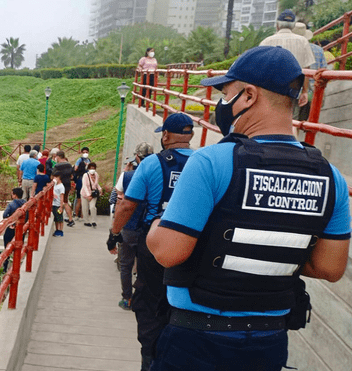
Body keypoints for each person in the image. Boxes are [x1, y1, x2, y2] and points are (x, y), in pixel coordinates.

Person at [145, 46, 350, 371]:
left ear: (249, 95)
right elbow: (329, 268)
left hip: (197, 338)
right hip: (270, 343)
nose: (220, 104)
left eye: (226, 93)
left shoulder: (210, 162)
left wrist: (157, 226)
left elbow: (169, 252)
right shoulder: (331, 178)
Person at [107, 113, 194, 371]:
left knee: (149, 302)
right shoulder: (203, 162)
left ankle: (150, 360)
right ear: (190, 136)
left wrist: (114, 232)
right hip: (191, 246)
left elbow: (127, 205)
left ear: (165, 136)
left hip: (154, 243)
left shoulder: (151, 164)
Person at [112, 142, 154, 310]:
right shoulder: (158, 175)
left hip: (129, 227)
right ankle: (143, 299)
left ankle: (127, 299)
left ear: (137, 157)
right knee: (146, 266)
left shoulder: (127, 176)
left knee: (126, 265)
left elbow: (119, 199)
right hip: (149, 228)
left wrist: (114, 230)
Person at [260, 9, 314, 110]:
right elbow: (307, 69)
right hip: (294, 87)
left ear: (277, 25)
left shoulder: (266, 41)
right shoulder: (303, 41)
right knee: (291, 117)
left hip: (271, 88)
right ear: (293, 26)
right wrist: (305, 91)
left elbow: (261, 68)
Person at [292, 22, 328, 121]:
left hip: (295, 88)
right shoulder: (318, 50)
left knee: (293, 121)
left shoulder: (292, 49)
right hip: (313, 90)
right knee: (304, 121)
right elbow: (324, 69)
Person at [52, 150, 75, 227]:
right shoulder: (69, 165)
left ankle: (70, 219)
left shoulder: (57, 166)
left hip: (59, 185)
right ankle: (69, 218)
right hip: (67, 184)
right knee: (65, 200)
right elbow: (72, 175)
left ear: (58, 157)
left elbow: (53, 175)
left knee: (64, 202)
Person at [80, 162, 102, 228]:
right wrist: (88, 195)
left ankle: (93, 221)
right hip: (85, 194)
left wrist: (100, 189)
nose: (92, 169)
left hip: (93, 194)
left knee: (92, 207)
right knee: (85, 208)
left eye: (94, 168)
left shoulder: (96, 175)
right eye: (91, 168)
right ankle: (86, 221)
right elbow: (84, 186)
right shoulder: (85, 175)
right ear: (88, 168)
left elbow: (96, 184)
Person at [73, 147, 91, 219]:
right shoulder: (79, 160)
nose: (85, 154)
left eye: (86, 152)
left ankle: (83, 215)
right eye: (84, 152)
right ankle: (77, 215)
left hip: (87, 180)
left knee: (85, 199)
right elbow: (75, 169)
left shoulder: (89, 160)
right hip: (80, 179)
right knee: (79, 198)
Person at [51, 172, 65, 237]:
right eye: (54, 177)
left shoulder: (61, 187)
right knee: (56, 218)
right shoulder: (55, 185)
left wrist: (61, 206)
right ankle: (57, 229)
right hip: (54, 204)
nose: (54, 178)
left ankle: (60, 230)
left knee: (60, 218)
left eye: (56, 177)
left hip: (58, 204)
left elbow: (62, 197)